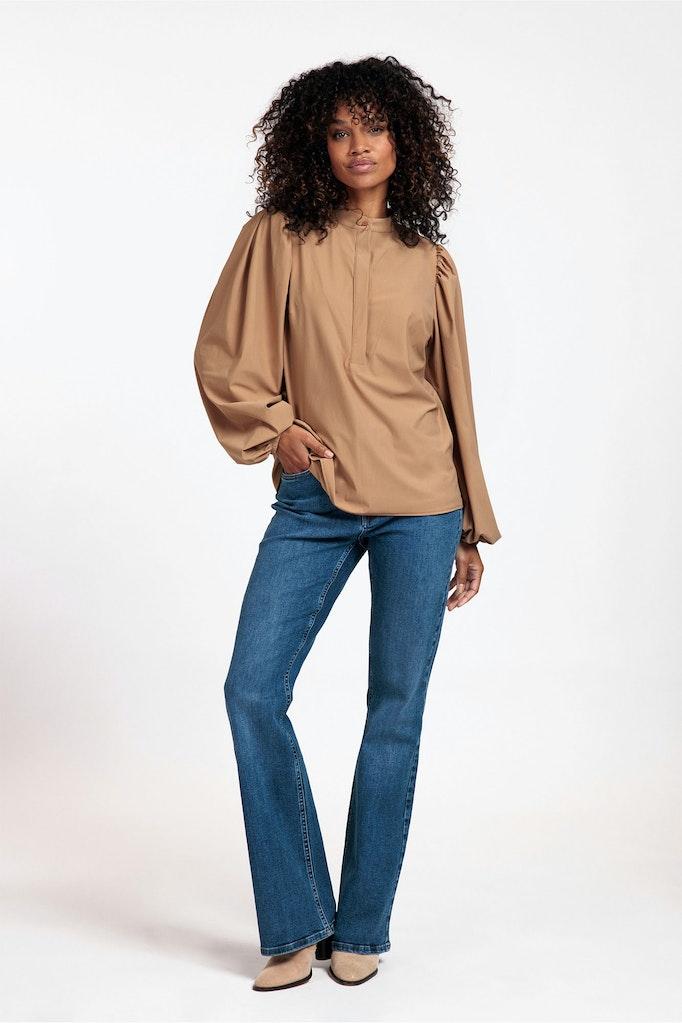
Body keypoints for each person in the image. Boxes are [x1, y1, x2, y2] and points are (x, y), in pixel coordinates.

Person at [193, 55, 501, 991]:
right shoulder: (277, 237)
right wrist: (276, 429)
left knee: (394, 711)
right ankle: (295, 921)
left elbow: (452, 395)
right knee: (252, 689)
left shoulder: (429, 260)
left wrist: (468, 525)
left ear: (406, 140)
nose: (357, 145)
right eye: (338, 130)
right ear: (314, 144)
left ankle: (362, 924)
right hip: (316, 499)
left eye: (374, 126)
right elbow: (224, 353)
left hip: (422, 501)